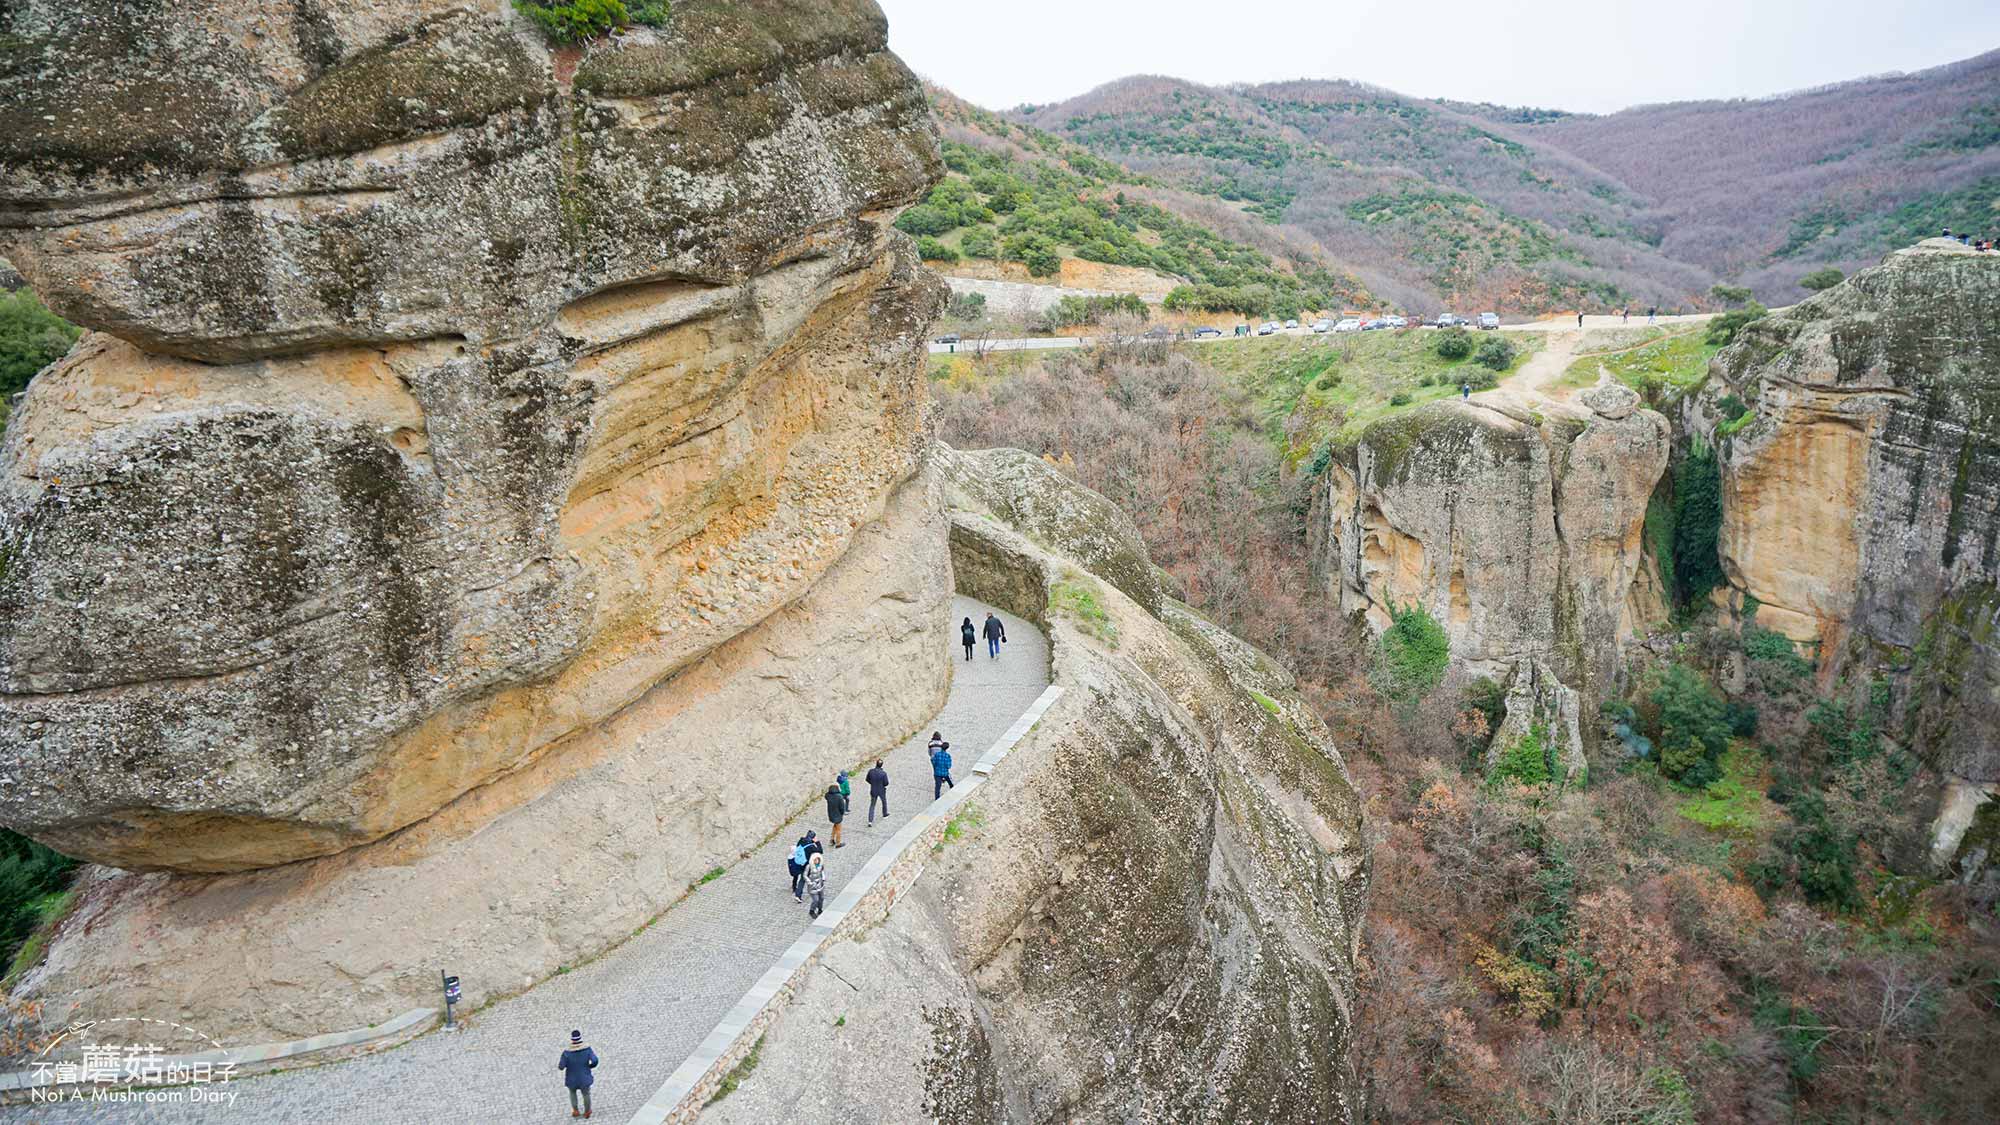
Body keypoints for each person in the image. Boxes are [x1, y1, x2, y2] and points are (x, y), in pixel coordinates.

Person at [559, 1030, 599, 1119]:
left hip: (571, 1078)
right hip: (584, 1077)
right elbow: (595, 1060)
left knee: (572, 1093)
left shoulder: (567, 1053)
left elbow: (561, 1066)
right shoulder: (587, 1049)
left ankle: (576, 1110)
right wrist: (590, 1066)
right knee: (586, 1094)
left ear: (572, 1039)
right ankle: (587, 1111)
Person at [789, 830, 822, 899]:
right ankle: (800, 894)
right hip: (807, 864)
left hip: (799, 862)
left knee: (800, 877)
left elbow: (798, 846)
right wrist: (817, 842)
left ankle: (796, 890)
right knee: (806, 878)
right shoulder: (811, 846)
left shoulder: (801, 840)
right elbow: (820, 851)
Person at [802, 852, 827, 919]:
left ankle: (820, 909)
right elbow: (804, 875)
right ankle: (812, 911)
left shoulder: (821, 865)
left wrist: (824, 878)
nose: (817, 861)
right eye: (815, 860)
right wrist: (809, 882)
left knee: (821, 898)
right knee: (815, 900)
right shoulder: (809, 866)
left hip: (820, 884)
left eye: (818, 859)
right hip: (813, 886)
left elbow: (822, 871)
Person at [825, 779, 847, 848]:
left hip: (831, 815)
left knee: (835, 827)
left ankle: (831, 840)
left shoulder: (828, 795)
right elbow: (842, 808)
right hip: (838, 815)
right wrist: (842, 813)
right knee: (838, 830)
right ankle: (838, 843)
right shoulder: (839, 797)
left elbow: (826, 796)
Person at [866, 759, 889, 824]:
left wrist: (872, 783)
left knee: (872, 805)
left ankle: (870, 821)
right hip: (881, 790)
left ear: (876, 764)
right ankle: (885, 813)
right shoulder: (883, 773)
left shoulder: (871, 771)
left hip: (873, 790)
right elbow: (886, 783)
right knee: (884, 802)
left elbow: (867, 779)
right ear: (882, 765)